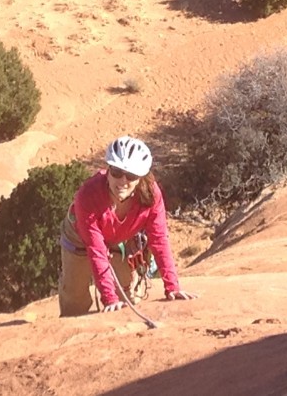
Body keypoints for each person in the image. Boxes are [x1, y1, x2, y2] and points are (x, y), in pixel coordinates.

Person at [58, 135, 195, 316]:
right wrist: (109, 298)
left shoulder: (151, 196)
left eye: (131, 175)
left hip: (120, 237)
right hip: (79, 239)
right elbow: (96, 248)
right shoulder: (88, 194)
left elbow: (159, 239)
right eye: (116, 172)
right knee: (74, 299)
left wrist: (172, 286)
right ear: (108, 170)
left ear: (140, 178)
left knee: (125, 293)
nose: (123, 181)